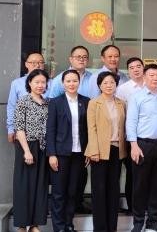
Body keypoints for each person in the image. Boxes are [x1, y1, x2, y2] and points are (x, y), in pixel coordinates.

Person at [126, 64, 157, 232]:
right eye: (151, 75)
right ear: (144, 78)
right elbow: (131, 122)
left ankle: (153, 221)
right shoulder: (137, 97)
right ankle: (138, 222)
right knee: (140, 186)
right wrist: (133, 145)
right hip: (142, 146)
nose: (155, 78)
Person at [47, 69, 90, 232]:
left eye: (75, 81)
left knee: (73, 192)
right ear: (63, 83)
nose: (72, 84)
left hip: (79, 153)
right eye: (68, 81)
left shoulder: (86, 101)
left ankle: (69, 224)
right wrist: (51, 154)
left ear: (79, 82)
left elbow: (89, 129)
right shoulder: (55, 102)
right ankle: (59, 227)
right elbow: (50, 129)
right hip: (60, 153)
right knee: (59, 192)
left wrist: (88, 151)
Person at [87, 71, 127, 232]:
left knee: (113, 190)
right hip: (100, 152)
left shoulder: (121, 103)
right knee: (99, 190)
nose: (109, 85)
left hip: (117, 150)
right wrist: (93, 151)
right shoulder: (94, 103)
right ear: (99, 85)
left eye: (112, 82)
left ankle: (112, 227)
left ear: (116, 85)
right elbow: (91, 128)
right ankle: (100, 228)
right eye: (105, 83)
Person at [12, 69, 51, 232]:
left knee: (40, 186)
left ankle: (34, 225)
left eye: (43, 82)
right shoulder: (23, 101)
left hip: (43, 147)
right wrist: (27, 151)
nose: (40, 85)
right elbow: (19, 128)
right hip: (27, 146)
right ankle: (22, 225)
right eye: (37, 82)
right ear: (29, 83)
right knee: (24, 186)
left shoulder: (48, 103)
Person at [116, 57, 146, 215]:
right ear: (128, 71)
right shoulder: (123, 89)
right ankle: (132, 206)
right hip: (131, 137)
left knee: (147, 173)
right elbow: (120, 114)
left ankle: (146, 205)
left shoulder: (151, 84)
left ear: (143, 67)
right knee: (133, 173)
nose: (136, 69)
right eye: (132, 67)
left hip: (149, 137)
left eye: (138, 66)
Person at [8, 52, 46, 143]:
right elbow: (12, 107)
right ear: (26, 64)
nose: (37, 65)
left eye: (40, 62)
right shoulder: (17, 83)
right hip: (24, 134)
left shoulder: (51, 83)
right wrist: (10, 128)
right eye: (33, 62)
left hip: (45, 134)